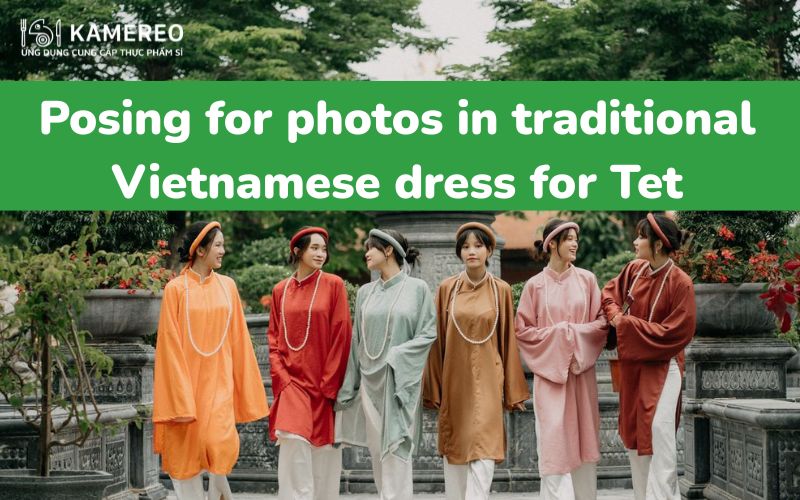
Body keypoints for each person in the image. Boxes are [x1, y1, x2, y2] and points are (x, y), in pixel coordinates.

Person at [153, 221, 269, 500]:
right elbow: (168, 344)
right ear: (200, 249)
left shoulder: (228, 286)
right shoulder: (176, 289)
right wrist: (179, 395)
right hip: (187, 388)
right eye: (218, 245)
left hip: (219, 386)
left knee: (218, 444)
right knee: (186, 459)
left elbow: (239, 341)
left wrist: (246, 391)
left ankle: (219, 489)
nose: (223, 250)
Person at [423, 221, 530, 500]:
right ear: (459, 253)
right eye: (466, 246)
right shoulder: (447, 289)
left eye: (478, 246)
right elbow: (438, 342)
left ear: (489, 251)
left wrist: (513, 391)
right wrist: (433, 388)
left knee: (484, 449)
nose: (472, 251)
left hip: (489, 382)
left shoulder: (501, 290)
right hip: (455, 381)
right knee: (456, 452)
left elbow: (508, 341)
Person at [336, 228, 436, 500]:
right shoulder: (366, 293)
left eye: (371, 247)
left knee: (397, 449)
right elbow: (358, 340)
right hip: (370, 383)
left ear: (389, 250)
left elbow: (428, 333)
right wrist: (349, 387)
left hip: (400, 382)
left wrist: (397, 356)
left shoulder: (418, 289)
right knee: (377, 453)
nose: (366, 253)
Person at [601, 213, 696, 500]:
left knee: (659, 431)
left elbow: (677, 332)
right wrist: (616, 315)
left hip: (663, 367)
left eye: (642, 237)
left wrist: (626, 324)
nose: (636, 241)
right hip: (633, 367)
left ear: (657, 245)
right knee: (634, 436)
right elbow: (608, 294)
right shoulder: (634, 270)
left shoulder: (681, 283)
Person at [514, 219, 608, 500]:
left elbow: (601, 324)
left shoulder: (587, 280)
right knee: (553, 449)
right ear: (552, 243)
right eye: (568, 238)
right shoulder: (534, 286)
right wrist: (561, 336)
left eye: (575, 238)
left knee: (584, 450)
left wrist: (570, 335)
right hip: (550, 379)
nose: (574, 243)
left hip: (581, 375)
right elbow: (523, 331)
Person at [267, 227, 352, 500]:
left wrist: (329, 385)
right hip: (292, 384)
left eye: (324, 249)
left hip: (323, 383)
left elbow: (342, 335)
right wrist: (282, 377)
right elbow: (273, 339)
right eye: (314, 248)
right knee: (293, 444)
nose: (320, 254)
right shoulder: (280, 290)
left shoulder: (334, 285)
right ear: (297, 251)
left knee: (323, 458)